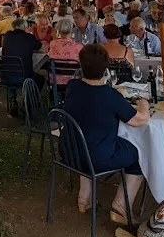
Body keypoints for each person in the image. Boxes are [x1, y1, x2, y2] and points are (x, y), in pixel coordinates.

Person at [61, 43, 150, 223]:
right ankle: (120, 206)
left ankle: (84, 199)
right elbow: (139, 120)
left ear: (81, 65)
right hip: (95, 157)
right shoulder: (110, 95)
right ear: (106, 68)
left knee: (91, 141)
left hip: (69, 151)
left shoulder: (72, 86)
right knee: (140, 155)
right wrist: (144, 105)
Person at [0, 18, 42, 98]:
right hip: (24, 77)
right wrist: (29, 34)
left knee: (12, 67)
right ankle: (28, 102)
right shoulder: (29, 37)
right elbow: (39, 46)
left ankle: (12, 98)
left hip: (4, 75)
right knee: (40, 79)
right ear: (25, 26)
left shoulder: (8, 35)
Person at [47, 17, 82, 87]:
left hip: (55, 80)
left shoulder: (52, 44)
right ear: (71, 30)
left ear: (58, 30)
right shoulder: (79, 47)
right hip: (74, 80)